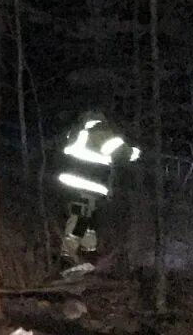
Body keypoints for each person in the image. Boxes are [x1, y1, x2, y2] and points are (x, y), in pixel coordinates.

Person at [58, 111, 140, 267]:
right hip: (88, 184)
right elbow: (125, 152)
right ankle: (69, 255)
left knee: (87, 218)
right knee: (81, 217)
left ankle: (88, 252)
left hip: (70, 182)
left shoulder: (76, 133)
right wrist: (136, 151)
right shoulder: (104, 135)